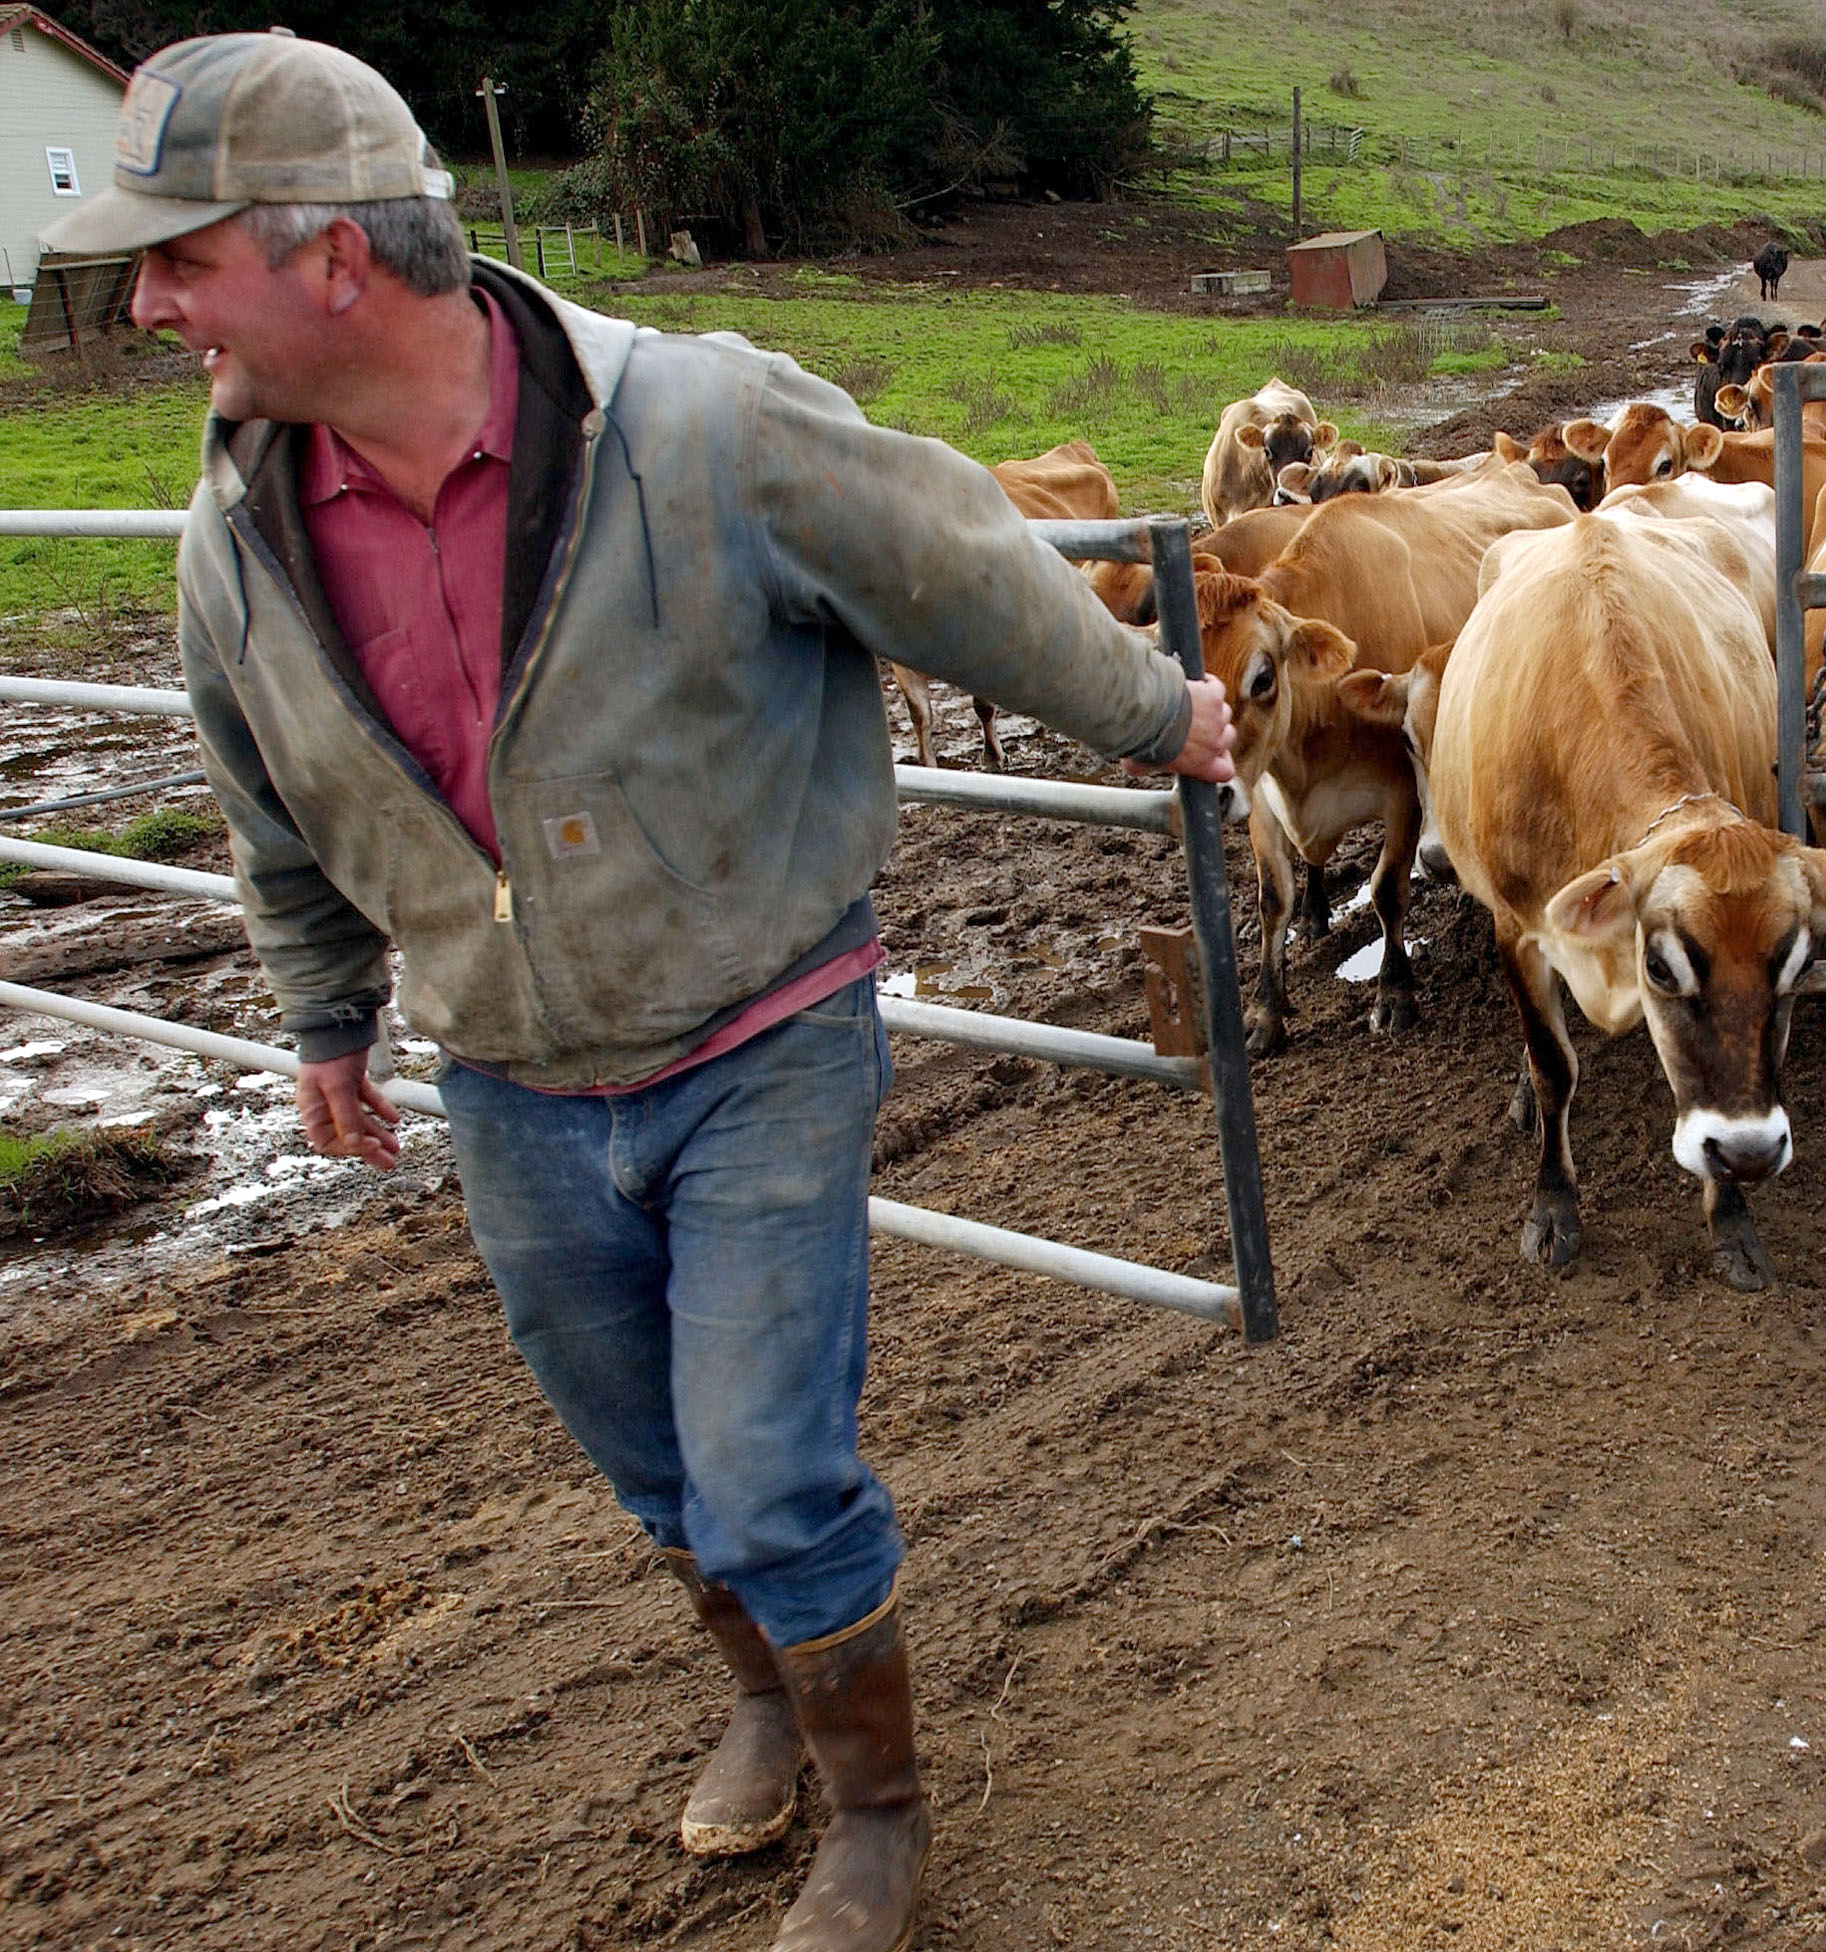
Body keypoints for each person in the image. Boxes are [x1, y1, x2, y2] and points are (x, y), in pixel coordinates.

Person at [44, 30, 1232, 1952]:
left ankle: (879, 1817)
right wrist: (325, 1017)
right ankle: (766, 1689)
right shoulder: (237, 536)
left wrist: (1151, 710)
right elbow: (272, 794)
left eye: (179, 255)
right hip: (507, 1077)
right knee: (652, 1458)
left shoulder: (700, 427)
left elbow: (959, 570)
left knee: (769, 1463)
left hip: (760, 1031)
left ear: (333, 258)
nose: (148, 298)